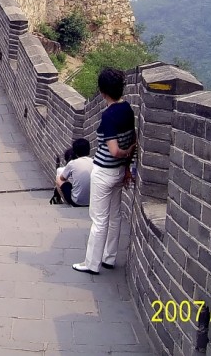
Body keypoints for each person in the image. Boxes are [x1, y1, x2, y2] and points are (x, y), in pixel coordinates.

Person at [73, 68, 136, 275]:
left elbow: (115, 150)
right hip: (119, 173)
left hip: (104, 172)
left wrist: (125, 153)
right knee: (115, 215)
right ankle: (109, 258)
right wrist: (127, 167)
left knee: (99, 220)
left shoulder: (108, 116)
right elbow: (133, 140)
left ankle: (91, 263)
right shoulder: (128, 109)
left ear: (102, 92)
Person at [57, 138, 93, 207]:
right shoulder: (94, 162)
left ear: (75, 152)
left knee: (58, 179)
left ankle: (66, 203)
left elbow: (62, 178)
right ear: (89, 150)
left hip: (77, 202)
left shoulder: (72, 163)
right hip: (92, 201)